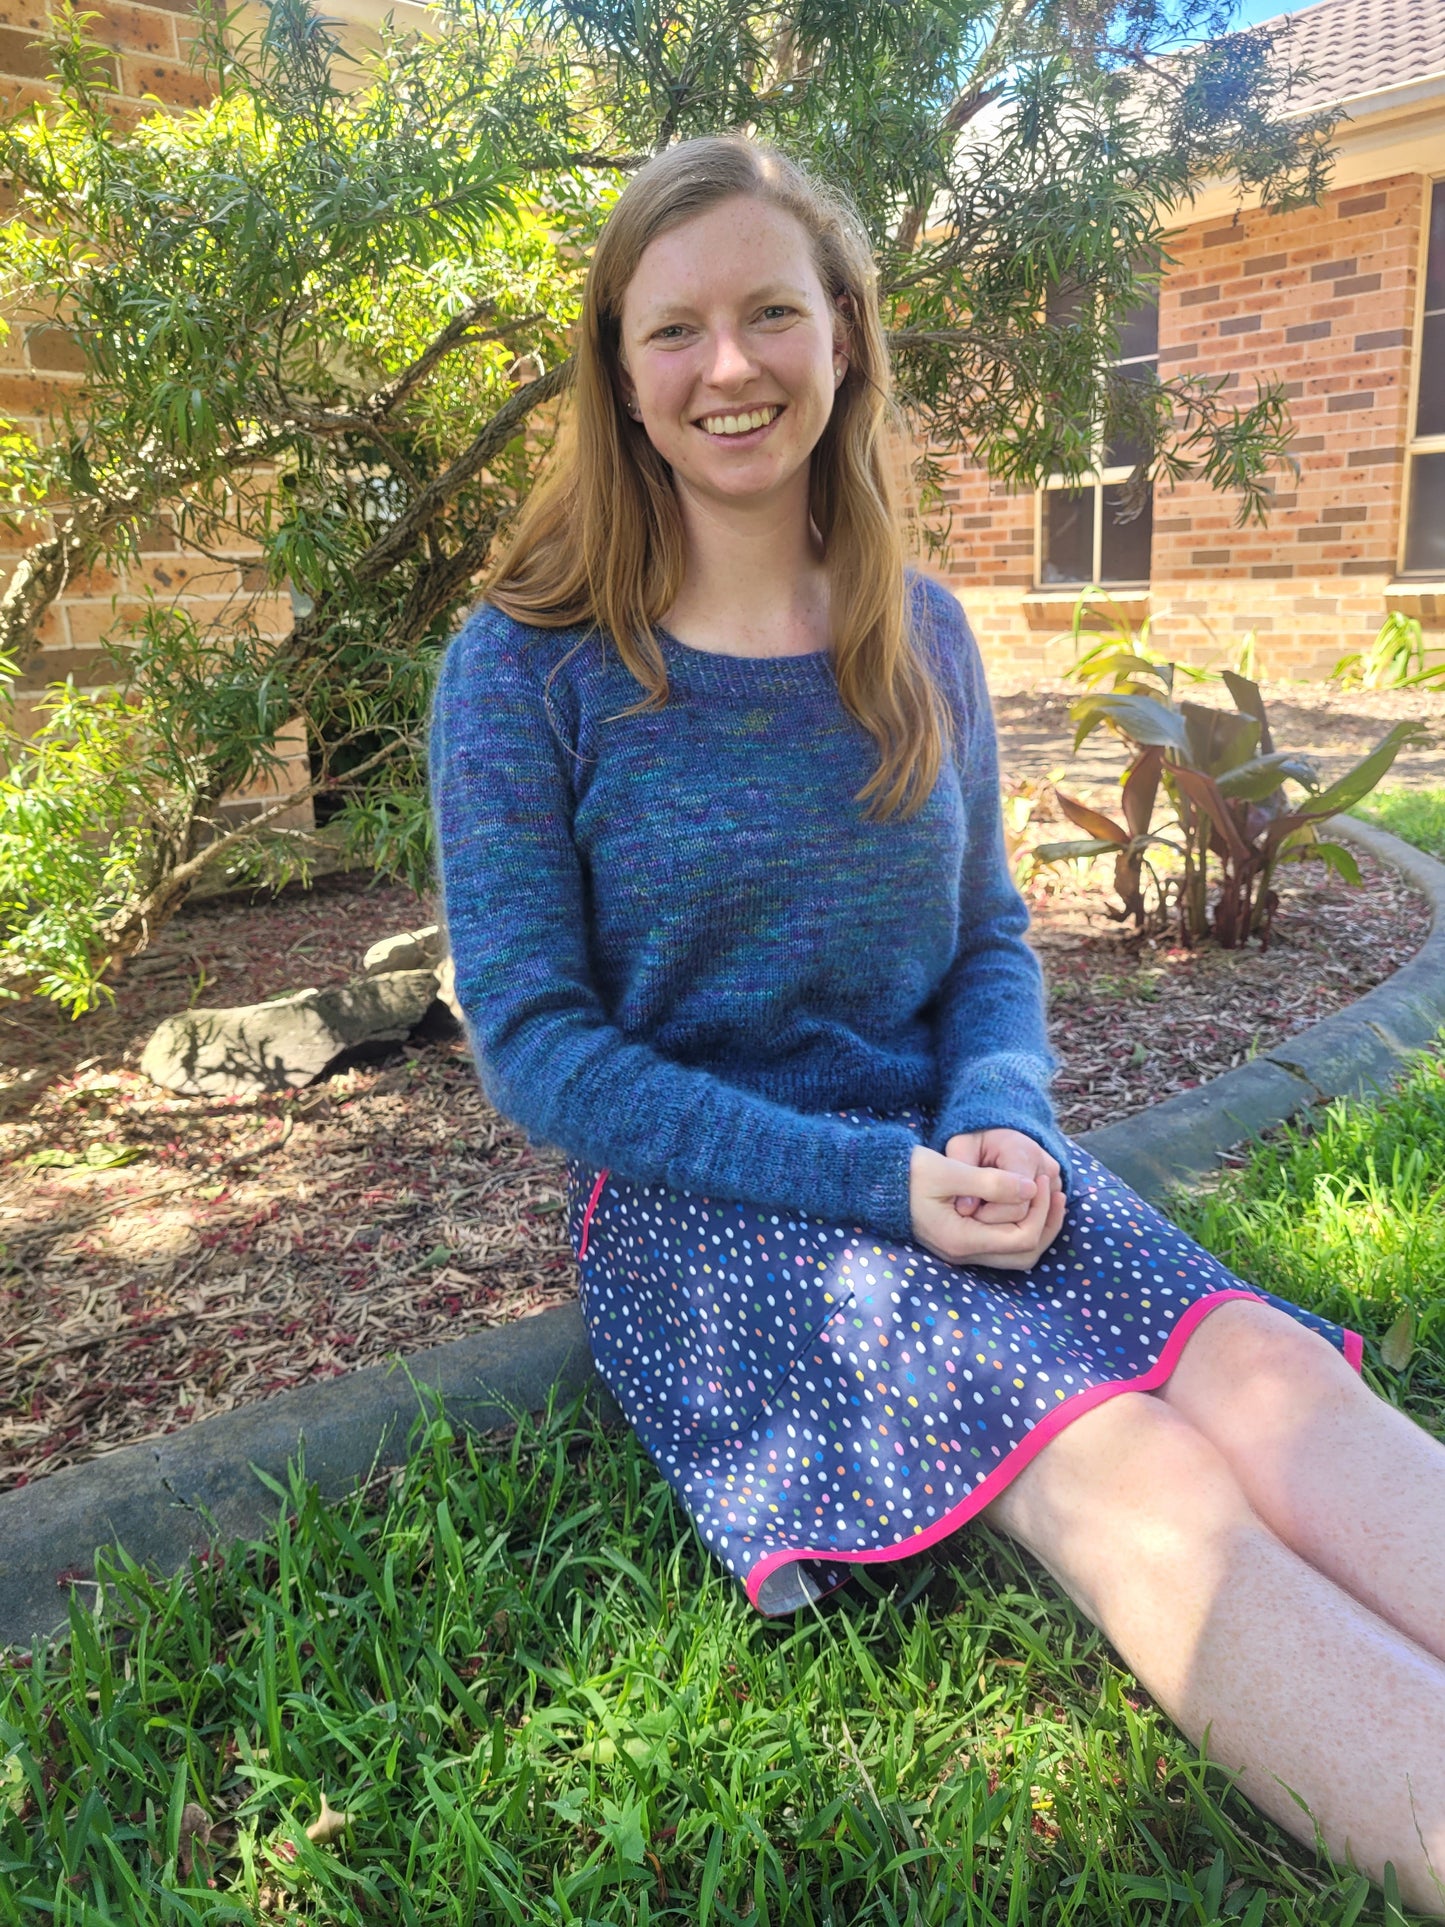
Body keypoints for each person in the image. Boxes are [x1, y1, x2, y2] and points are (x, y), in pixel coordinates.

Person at [429, 133, 1445, 1911]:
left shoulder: (926, 633)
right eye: (674, 330)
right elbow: (540, 1049)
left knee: (1260, 1372)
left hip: (951, 1144)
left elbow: (985, 937)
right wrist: (879, 1185)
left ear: (843, 338)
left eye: (769, 312)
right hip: (711, 1198)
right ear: (619, 372)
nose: (727, 366)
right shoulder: (527, 662)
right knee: (1125, 1467)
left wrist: (1002, 1109)